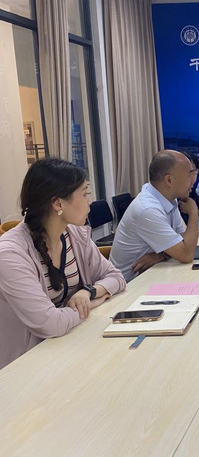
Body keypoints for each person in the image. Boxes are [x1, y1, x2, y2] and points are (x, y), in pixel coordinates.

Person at [0, 158, 126, 369]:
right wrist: (91, 305)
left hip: (69, 344)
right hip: (25, 364)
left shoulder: (74, 235)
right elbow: (49, 324)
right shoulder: (11, 254)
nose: (90, 202)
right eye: (84, 194)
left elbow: (116, 277)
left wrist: (88, 292)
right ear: (58, 204)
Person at [110, 150, 199, 282]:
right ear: (169, 180)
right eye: (189, 175)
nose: (192, 181)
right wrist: (193, 213)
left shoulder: (167, 197)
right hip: (131, 285)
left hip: (153, 274)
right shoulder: (148, 209)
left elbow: (184, 237)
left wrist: (161, 255)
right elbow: (187, 254)